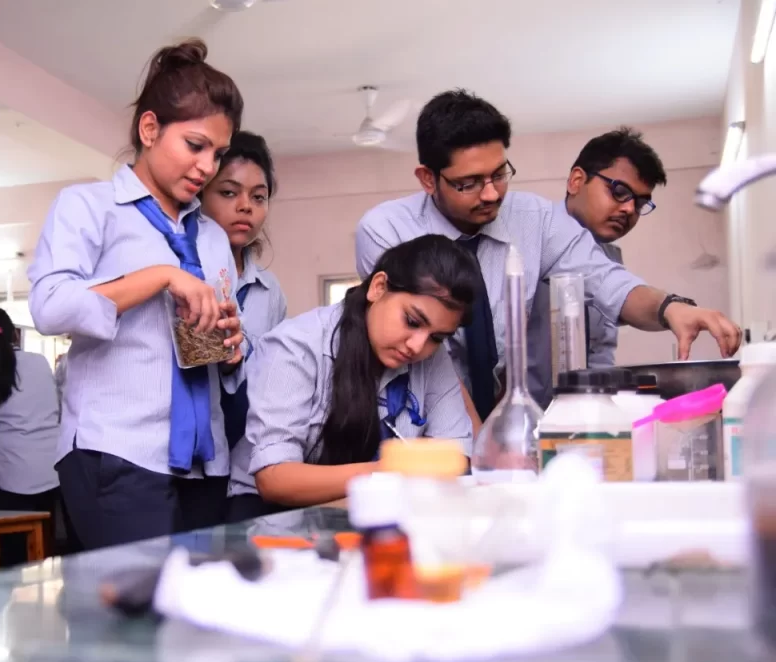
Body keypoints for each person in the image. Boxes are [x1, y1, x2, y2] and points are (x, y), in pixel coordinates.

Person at [355, 90, 741, 423]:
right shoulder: (387, 230)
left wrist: (672, 308)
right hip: (412, 416)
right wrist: (480, 442)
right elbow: (426, 352)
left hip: (495, 413)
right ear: (427, 179)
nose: (491, 194)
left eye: (499, 174)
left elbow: (606, 280)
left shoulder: (535, 221)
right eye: (468, 183)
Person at [27, 39, 246, 551]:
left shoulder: (211, 236)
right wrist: (160, 277)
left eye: (218, 153)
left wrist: (235, 347)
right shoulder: (89, 207)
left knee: (190, 619)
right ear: (150, 129)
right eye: (195, 145)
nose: (208, 167)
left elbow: (222, 349)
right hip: (117, 453)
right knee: (129, 623)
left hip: (204, 462)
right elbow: (49, 306)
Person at [228, 235, 479, 520]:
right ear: (378, 287)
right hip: (271, 519)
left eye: (437, 337)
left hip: (379, 512)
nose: (418, 346)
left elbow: (454, 458)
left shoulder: (433, 358)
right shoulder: (295, 346)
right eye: (412, 321)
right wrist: (388, 472)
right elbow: (275, 479)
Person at [528, 128, 668, 408]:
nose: (629, 209)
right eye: (619, 191)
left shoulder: (610, 261)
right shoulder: (527, 240)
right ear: (576, 181)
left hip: (577, 424)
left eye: (640, 203)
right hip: (513, 427)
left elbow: (600, 354)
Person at [199, 130, 287, 449]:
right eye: (228, 192)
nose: (245, 207)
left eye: (258, 197)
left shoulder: (270, 291)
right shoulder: (184, 274)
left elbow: (272, 379)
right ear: (200, 196)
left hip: (246, 450)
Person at [0, 307, 65, 566]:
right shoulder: (40, 362)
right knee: (44, 540)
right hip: (50, 470)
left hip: (11, 470)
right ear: (15, 334)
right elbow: (54, 407)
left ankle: (7, 594)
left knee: (12, 550)